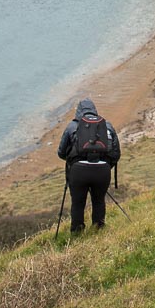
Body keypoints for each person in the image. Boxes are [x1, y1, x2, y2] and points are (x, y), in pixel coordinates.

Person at [57, 98, 121, 234]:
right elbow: (116, 154)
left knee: (78, 203)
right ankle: (98, 229)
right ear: (94, 110)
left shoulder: (72, 126)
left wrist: (73, 162)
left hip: (78, 171)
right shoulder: (107, 125)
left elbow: (61, 153)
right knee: (98, 201)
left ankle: (77, 232)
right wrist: (104, 165)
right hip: (102, 171)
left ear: (78, 112)